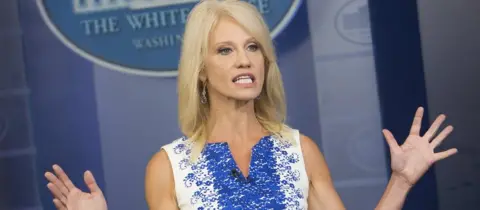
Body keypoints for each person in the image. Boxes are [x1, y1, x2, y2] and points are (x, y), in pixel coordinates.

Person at [43, 0, 458, 209]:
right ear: (201, 70)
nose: (243, 59)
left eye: (252, 46)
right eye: (224, 50)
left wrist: (401, 182)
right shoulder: (167, 167)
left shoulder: (301, 151)